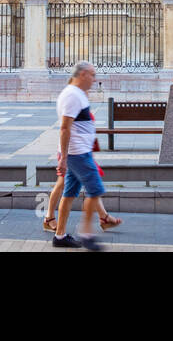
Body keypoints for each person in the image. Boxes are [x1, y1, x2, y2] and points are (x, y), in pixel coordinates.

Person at [53, 61, 121, 250]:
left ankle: (59, 236)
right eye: (92, 74)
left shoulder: (78, 94)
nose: (94, 78)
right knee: (95, 189)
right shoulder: (72, 95)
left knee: (69, 194)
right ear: (82, 74)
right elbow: (65, 128)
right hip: (78, 154)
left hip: (79, 152)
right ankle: (86, 234)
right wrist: (64, 158)